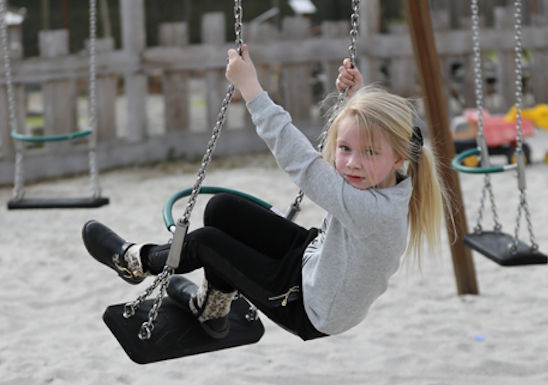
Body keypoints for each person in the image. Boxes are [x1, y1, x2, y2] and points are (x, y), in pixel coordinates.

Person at [82, 45, 447, 341]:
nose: (351, 163)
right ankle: (212, 310)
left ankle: (135, 263)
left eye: (369, 153)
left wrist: (250, 89)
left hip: (308, 306)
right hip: (316, 261)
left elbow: (301, 162)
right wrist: (356, 97)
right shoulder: (396, 175)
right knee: (223, 209)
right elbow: (372, 135)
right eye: (345, 149)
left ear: (399, 158)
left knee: (207, 241)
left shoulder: (372, 211)